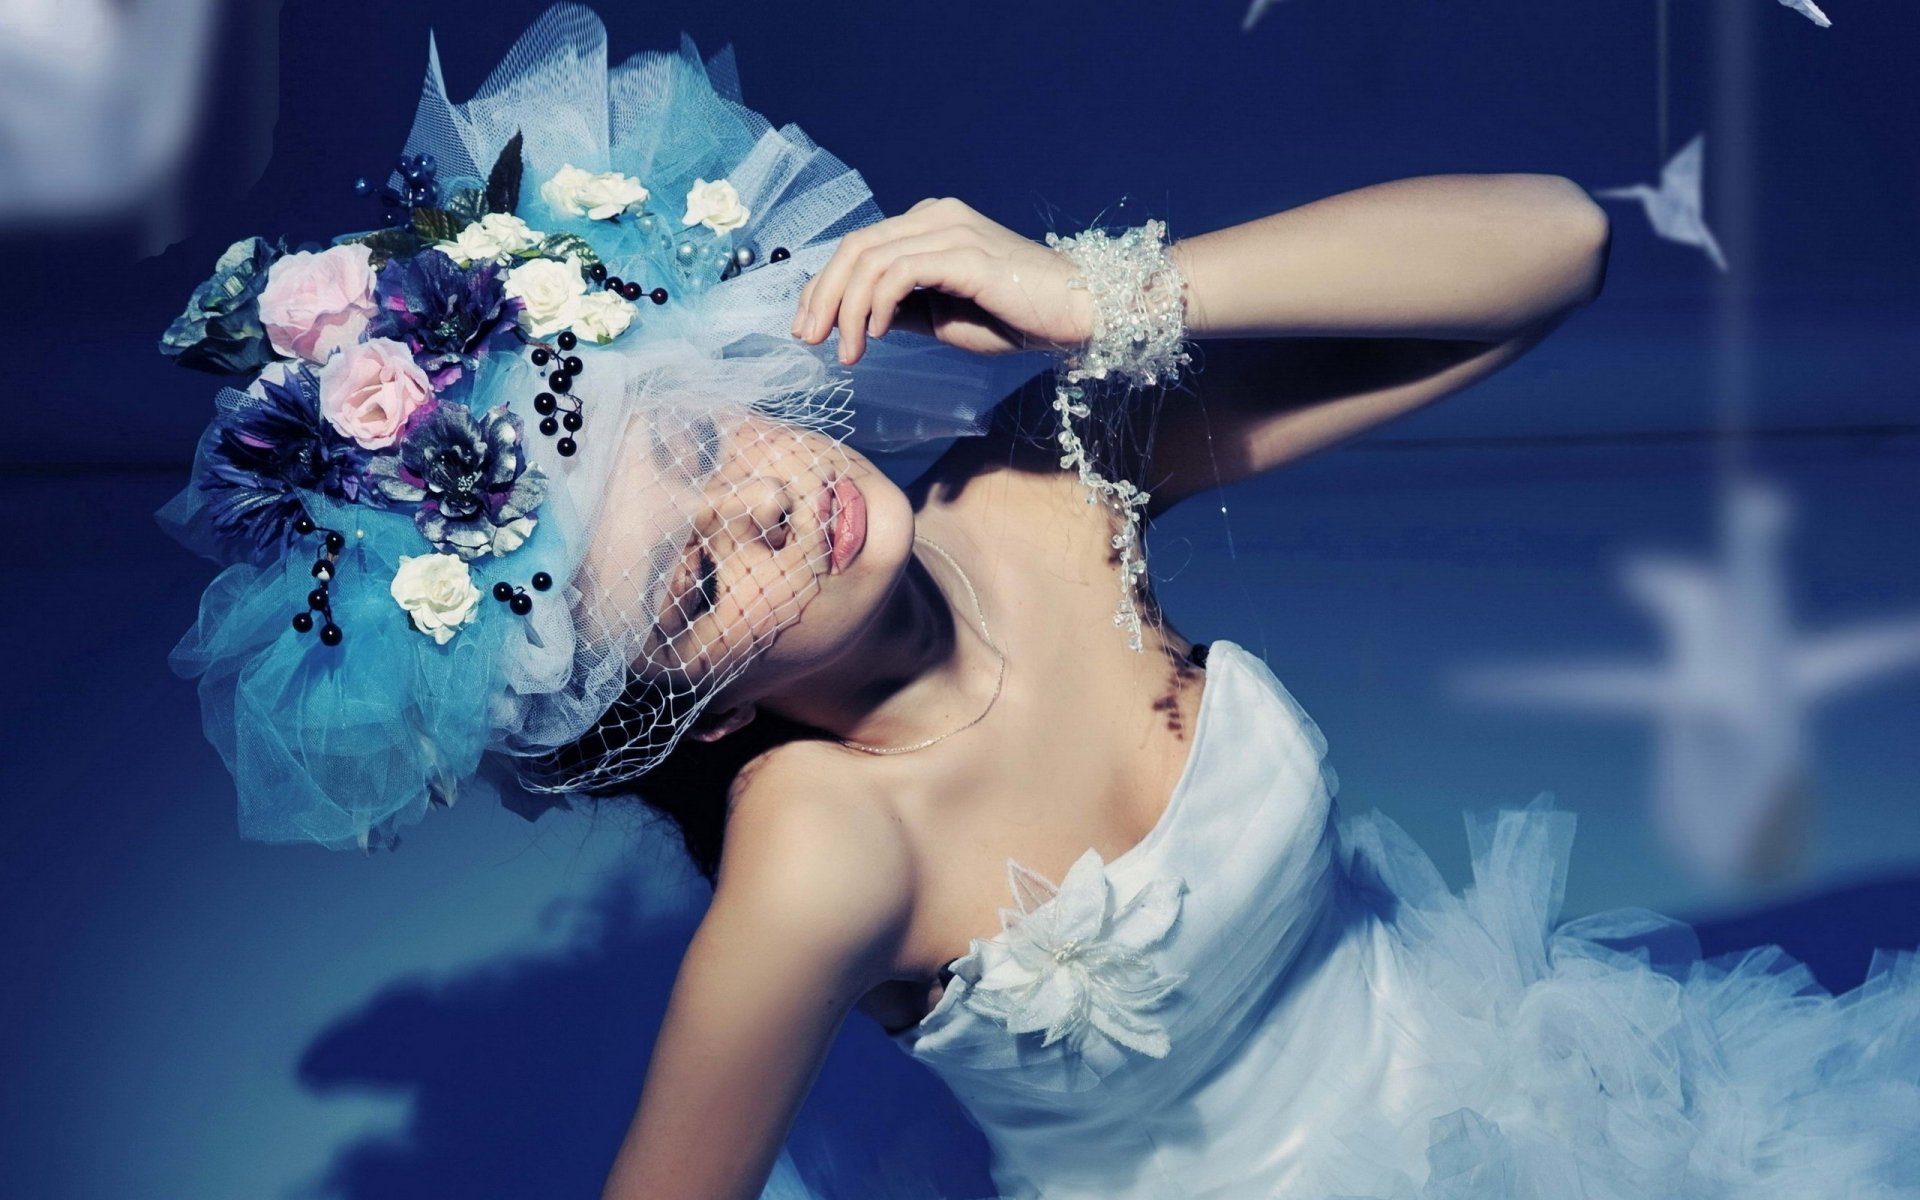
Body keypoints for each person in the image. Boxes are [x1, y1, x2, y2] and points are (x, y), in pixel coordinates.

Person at [157, 8, 1920, 1199]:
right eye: (695, 578)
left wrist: (1102, 291)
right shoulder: (826, 853)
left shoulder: (1043, 490)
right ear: (679, 714)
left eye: (702, 432)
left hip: (1506, 1074)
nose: (771, 494)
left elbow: (1553, 248)